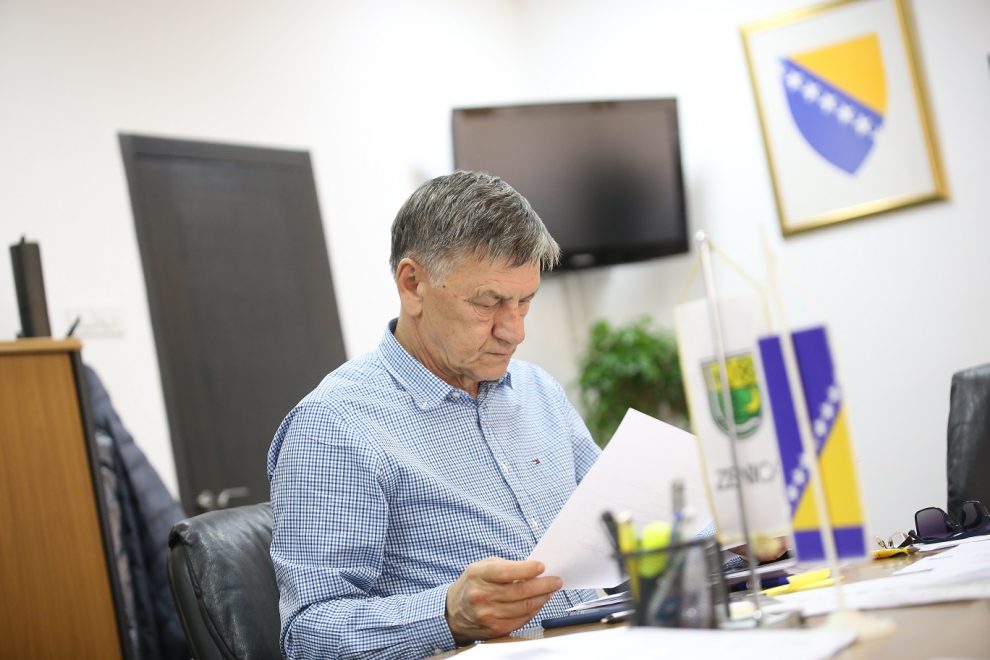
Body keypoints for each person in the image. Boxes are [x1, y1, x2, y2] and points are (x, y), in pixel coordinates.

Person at [267, 171, 602, 659]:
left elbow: (619, 518)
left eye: (525, 302)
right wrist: (448, 614)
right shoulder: (335, 426)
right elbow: (309, 635)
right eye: (488, 303)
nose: (514, 332)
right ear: (413, 285)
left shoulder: (538, 391)